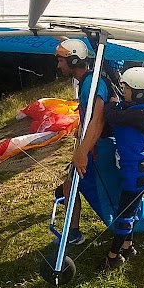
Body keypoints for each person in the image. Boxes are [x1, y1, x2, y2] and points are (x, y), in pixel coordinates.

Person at [100, 67, 144, 269]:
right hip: (138, 171)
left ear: (139, 92)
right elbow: (122, 102)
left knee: (124, 216)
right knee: (130, 210)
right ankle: (128, 247)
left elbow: (112, 116)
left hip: (137, 173)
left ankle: (113, 257)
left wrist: (111, 103)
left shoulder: (141, 114)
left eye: (126, 88)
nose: (123, 92)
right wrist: (110, 73)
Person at [53, 39, 110, 245]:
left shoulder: (91, 85)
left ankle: (75, 233)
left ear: (74, 60)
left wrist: (82, 152)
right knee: (69, 186)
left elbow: (98, 119)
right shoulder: (86, 82)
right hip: (92, 144)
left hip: (98, 148)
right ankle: (74, 231)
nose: (58, 65)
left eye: (61, 60)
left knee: (73, 186)